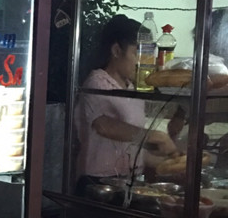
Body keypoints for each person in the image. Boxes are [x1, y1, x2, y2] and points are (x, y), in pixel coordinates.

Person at [74, 14, 179, 183]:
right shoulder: (96, 82)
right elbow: (104, 126)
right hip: (97, 181)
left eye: (147, 55)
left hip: (129, 180)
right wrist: (155, 136)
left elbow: (132, 142)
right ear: (116, 51)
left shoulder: (132, 88)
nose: (143, 62)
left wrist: (171, 162)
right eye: (138, 53)